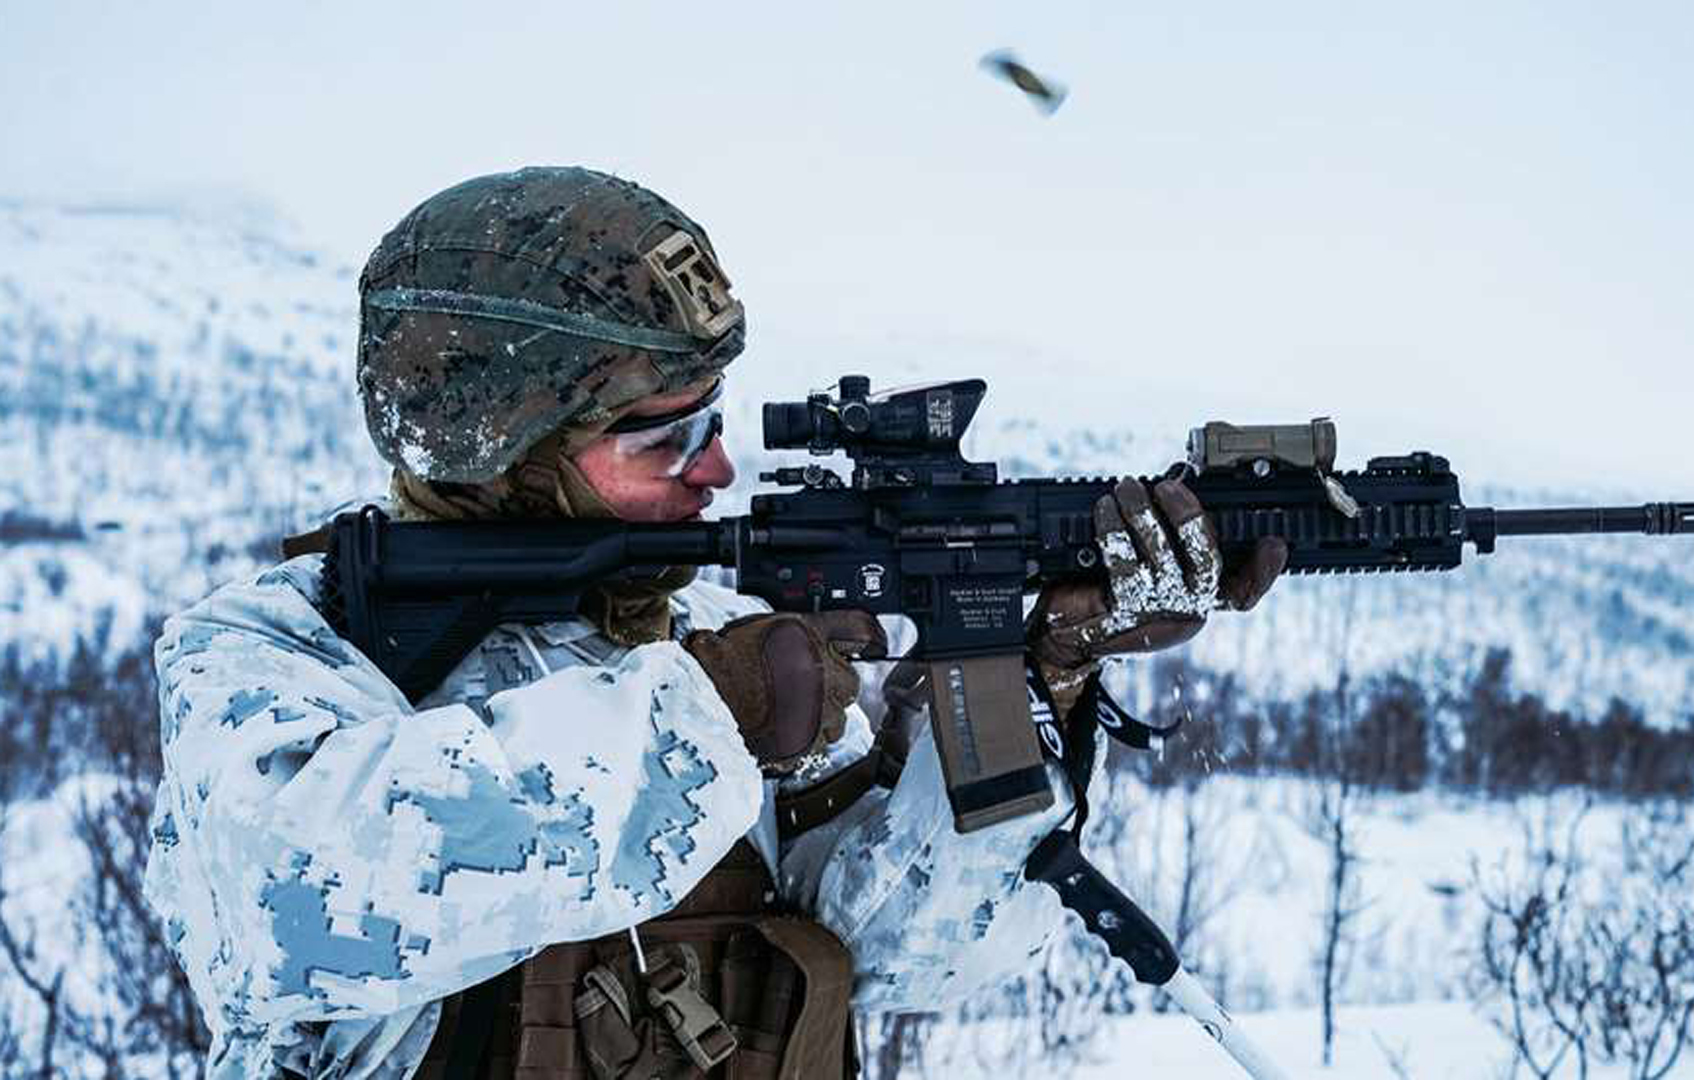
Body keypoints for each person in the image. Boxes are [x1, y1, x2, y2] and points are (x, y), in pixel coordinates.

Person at [142, 166, 1287, 1079]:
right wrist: (714, 713)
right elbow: (300, 904)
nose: (719, 468)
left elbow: (911, 956)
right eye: (664, 439)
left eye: (714, 423)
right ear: (503, 444)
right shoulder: (284, 657)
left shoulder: (713, 629)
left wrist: (1029, 676)